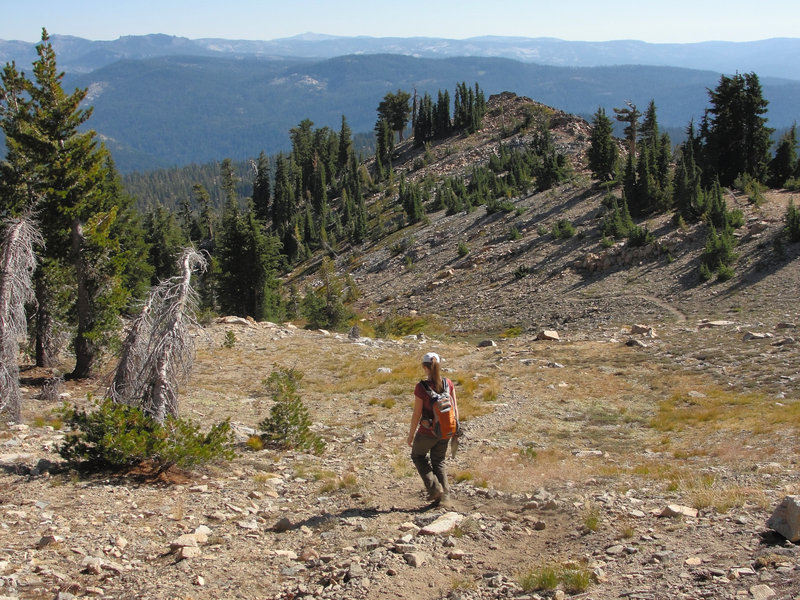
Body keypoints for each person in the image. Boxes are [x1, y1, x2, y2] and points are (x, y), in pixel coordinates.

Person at [407, 351, 459, 503]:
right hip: (446, 430)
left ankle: (435, 488)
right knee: (439, 461)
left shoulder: (421, 387)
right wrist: (456, 428)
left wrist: (411, 435)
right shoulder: (448, 383)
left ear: (424, 367)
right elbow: (455, 408)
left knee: (417, 456)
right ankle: (445, 498)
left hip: (427, 432)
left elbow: (417, 414)